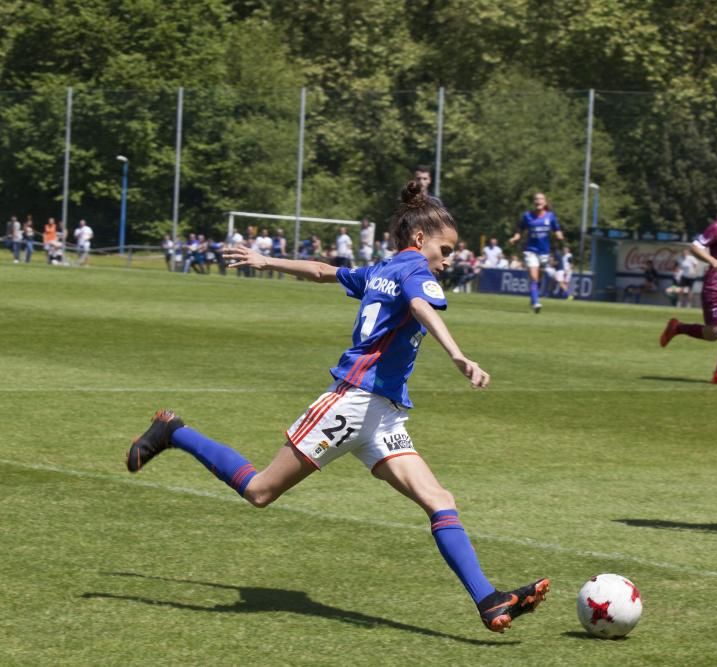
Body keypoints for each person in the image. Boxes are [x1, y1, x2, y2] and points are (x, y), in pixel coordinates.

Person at [125, 180, 549, 633]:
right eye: (445, 250)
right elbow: (423, 306)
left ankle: (488, 600)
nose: (448, 261)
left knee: (440, 500)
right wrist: (458, 354)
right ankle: (174, 431)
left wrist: (267, 261)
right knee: (261, 492)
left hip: (381, 413)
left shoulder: (381, 269)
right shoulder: (412, 271)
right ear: (420, 239)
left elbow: (323, 271)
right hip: (350, 403)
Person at [658, 188, 717, 387]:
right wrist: (713, 260)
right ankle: (678, 327)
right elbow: (695, 246)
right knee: (715, 333)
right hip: (716, 285)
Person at [508, 192, 564, 313]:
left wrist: (559, 235)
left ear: (545, 202)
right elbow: (520, 230)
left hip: (544, 253)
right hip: (530, 251)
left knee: (539, 278)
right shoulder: (527, 216)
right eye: (536, 199)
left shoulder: (550, 216)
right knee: (534, 277)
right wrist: (515, 238)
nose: (538, 201)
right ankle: (536, 303)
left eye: (541, 199)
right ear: (534, 203)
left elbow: (556, 229)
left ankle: (533, 298)